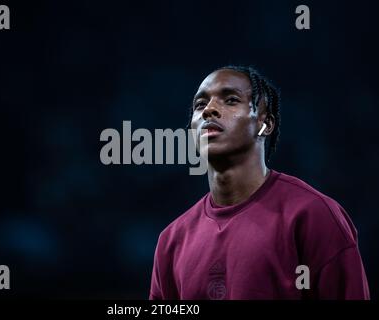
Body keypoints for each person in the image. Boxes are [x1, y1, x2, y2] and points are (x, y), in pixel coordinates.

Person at [149, 65, 370, 300]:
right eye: (200, 105)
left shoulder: (314, 216)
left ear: (266, 124)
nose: (209, 110)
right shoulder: (172, 240)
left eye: (231, 100)